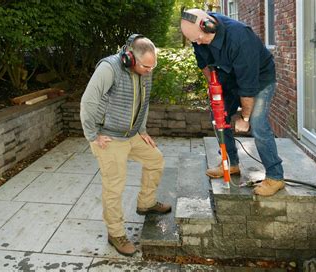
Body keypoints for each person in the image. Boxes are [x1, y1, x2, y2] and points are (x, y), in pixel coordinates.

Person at [80, 34, 171, 256]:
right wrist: (92, 135)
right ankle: (116, 234)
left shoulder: (145, 71)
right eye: (146, 66)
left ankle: (146, 203)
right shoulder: (109, 68)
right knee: (114, 186)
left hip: (132, 134)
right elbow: (88, 101)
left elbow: (144, 101)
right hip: (109, 138)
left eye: (153, 66)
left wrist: (142, 130)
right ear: (130, 58)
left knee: (155, 160)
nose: (150, 70)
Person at [180, 9, 285, 196]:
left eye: (199, 39)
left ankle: (275, 177)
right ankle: (231, 163)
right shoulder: (199, 36)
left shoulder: (240, 38)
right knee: (218, 117)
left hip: (258, 79)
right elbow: (204, 64)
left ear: (209, 27)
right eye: (194, 40)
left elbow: (248, 86)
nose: (197, 43)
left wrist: (244, 117)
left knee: (257, 124)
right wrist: (214, 88)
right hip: (228, 77)